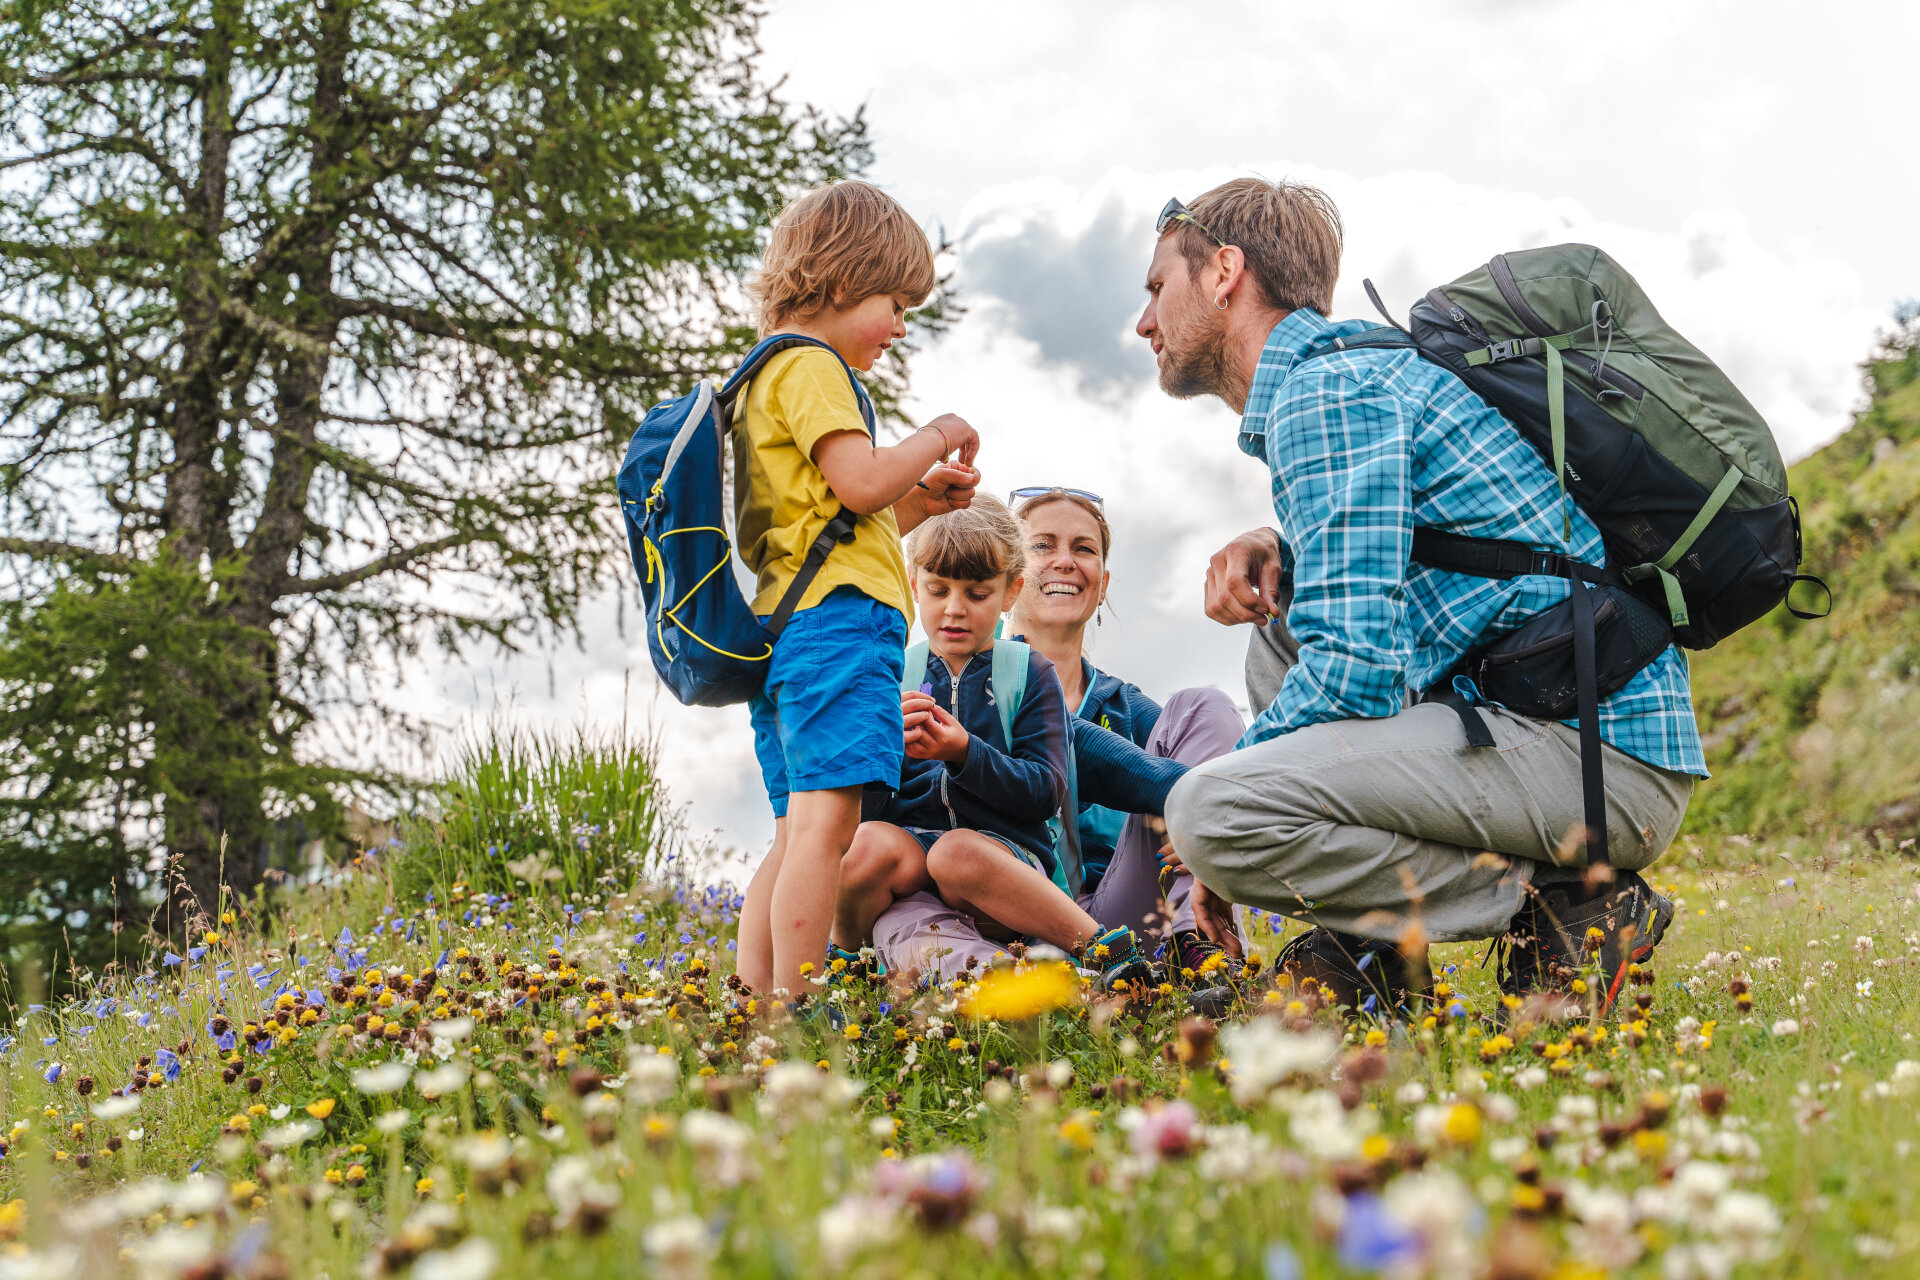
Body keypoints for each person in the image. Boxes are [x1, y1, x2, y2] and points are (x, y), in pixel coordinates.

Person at [1142, 179, 1700, 1016]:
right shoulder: (1356, 374)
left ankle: (1565, 905)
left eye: (1157, 288)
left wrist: (1216, 833)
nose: (1145, 321)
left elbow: (1357, 672)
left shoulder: (1326, 394)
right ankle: (1369, 965)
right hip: (1570, 738)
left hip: (1597, 766)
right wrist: (1282, 553)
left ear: (1224, 272)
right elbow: (1365, 615)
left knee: (1210, 810)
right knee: (1280, 629)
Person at [732, 180, 983, 1002]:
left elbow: (841, 512)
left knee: (795, 830)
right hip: (837, 628)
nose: (901, 327)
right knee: (827, 831)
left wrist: (920, 503)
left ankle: (757, 1003)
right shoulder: (812, 368)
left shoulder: (770, 374)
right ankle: (795, 1009)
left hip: (792, 626)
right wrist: (938, 434)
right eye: (895, 303)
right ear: (842, 282)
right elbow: (863, 480)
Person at [866, 487, 1248, 998]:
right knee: (904, 902)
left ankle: (1195, 946)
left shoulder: (1124, 707)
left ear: (1103, 582)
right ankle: (1046, 993)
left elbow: (1152, 776)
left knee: (1204, 707)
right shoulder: (924, 682)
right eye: (1044, 544)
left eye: (1084, 548)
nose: (1065, 561)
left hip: (1114, 917)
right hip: (979, 909)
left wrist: (1201, 818)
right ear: (1014, 577)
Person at [831, 496, 1152, 986]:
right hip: (914, 861)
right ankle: (843, 966)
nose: (954, 610)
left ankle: (1109, 954)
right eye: (938, 590)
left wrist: (964, 754)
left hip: (1002, 861)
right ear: (914, 585)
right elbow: (866, 809)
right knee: (869, 843)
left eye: (977, 594)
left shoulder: (1028, 672)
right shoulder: (893, 674)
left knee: (955, 852)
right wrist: (885, 751)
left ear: (1010, 592)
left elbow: (1046, 789)